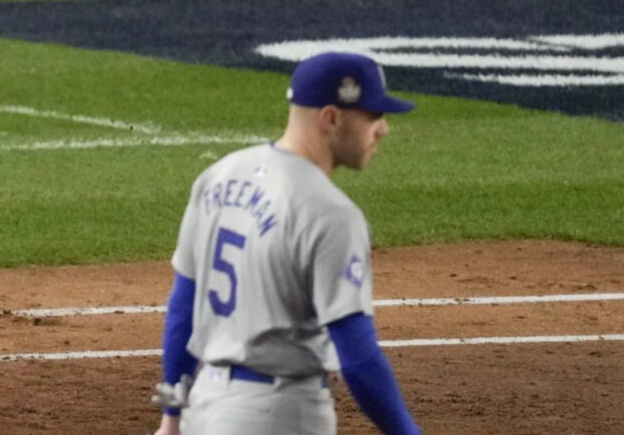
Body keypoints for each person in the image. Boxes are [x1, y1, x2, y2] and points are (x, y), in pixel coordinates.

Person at [152, 51, 423, 434]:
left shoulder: (219, 175)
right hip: (277, 414)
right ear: (330, 118)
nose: (383, 129)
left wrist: (172, 415)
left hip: (204, 406)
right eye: (373, 115)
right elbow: (359, 358)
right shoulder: (330, 213)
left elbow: (184, 305)